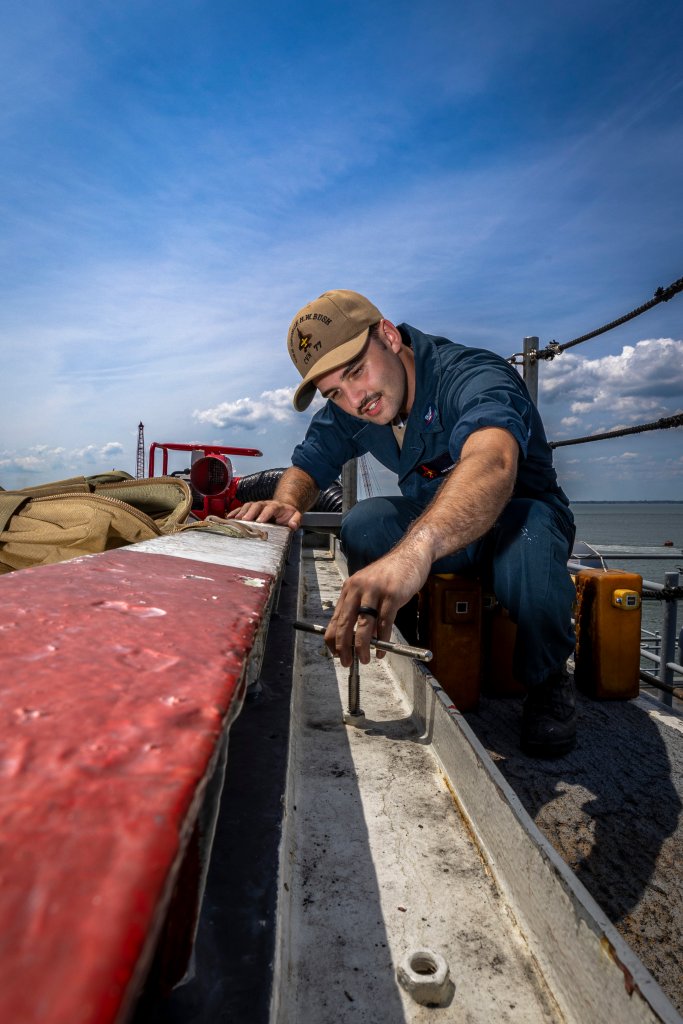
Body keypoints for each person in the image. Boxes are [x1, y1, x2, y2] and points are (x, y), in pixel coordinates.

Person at [229, 289, 577, 757]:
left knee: (530, 535)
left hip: (514, 518)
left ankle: (548, 680)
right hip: (439, 531)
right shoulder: (356, 404)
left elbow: (492, 460)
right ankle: (410, 638)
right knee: (365, 521)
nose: (355, 399)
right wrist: (287, 503)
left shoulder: (471, 374)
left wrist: (414, 552)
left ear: (389, 336)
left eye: (355, 371)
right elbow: (309, 464)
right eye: (335, 392)